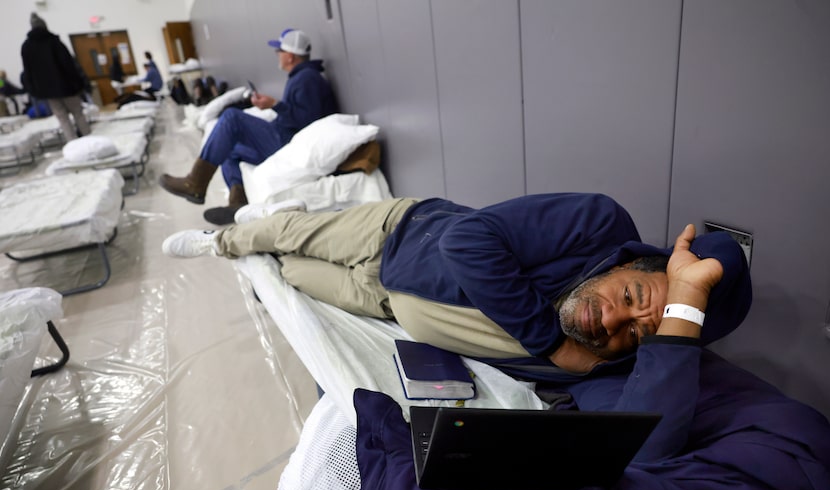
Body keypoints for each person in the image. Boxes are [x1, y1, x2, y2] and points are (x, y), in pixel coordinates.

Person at [161, 193, 751, 377]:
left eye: (638, 335)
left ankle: (261, 242)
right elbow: (465, 243)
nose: (612, 323)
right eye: (631, 299)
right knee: (280, 234)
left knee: (288, 273)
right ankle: (223, 240)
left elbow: (649, 434)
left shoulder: (608, 360)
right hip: (396, 234)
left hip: (390, 303)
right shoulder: (598, 224)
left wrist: (679, 319)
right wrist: (552, 343)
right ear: (639, 264)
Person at [160, 28, 339, 226]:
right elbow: (300, 113)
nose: (277, 55)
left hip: (289, 142)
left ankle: (195, 182)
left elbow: (307, 121)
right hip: (285, 136)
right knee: (229, 148)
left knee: (231, 118)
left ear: (290, 56)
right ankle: (238, 202)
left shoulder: (307, 78)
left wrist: (275, 105)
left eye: (279, 51)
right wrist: (274, 106)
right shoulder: (303, 77)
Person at [21, 12, 90, 140]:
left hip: (47, 91)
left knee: (62, 117)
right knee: (78, 113)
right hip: (67, 87)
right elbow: (69, 65)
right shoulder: (54, 42)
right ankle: (89, 140)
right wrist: (79, 84)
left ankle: (72, 143)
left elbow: (27, 71)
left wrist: (34, 90)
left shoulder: (27, 47)